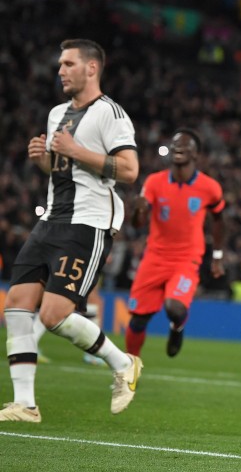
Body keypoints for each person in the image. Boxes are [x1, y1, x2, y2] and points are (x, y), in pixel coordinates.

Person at [1, 38, 143, 423]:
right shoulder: (57, 114)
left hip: (89, 223)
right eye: (60, 65)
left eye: (68, 64)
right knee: (15, 304)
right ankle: (26, 404)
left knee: (53, 315)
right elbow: (66, 171)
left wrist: (76, 151)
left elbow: (129, 171)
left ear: (91, 68)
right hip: (52, 219)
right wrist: (45, 161)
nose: (60, 71)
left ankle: (123, 363)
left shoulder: (110, 114)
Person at [124, 129, 226, 358]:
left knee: (174, 308)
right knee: (139, 318)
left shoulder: (209, 187)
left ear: (196, 154)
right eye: (175, 144)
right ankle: (129, 368)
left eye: (185, 145)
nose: (178, 148)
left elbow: (219, 220)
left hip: (186, 259)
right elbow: (139, 223)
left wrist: (218, 257)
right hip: (155, 257)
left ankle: (177, 328)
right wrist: (138, 210)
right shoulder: (154, 182)